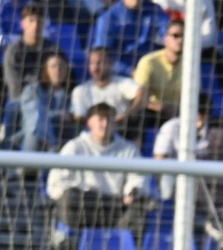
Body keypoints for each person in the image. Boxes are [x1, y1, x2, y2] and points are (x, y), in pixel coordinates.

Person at [46, 103, 150, 242]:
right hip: (85, 205)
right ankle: (74, 244)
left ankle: (120, 246)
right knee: (69, 198)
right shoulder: (75, 147)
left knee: (139, 206)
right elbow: (58, 181)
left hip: (115, 208)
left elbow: (139, 177)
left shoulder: (129, 150)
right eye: (100, 119)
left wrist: (132, 191)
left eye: (109, 119)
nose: (105, 124)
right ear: (89, 123)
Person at [91, 0, 166, 75]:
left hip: (152, 71)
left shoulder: (155, 10)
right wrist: (130, 72)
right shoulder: (108, 18)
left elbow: (167, 32)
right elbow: (104, 55)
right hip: (121, 76)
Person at [2, 2, 62, 103]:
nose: (36, 25)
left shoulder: (53, 49)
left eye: (39, 21)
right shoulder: (13, 52)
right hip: (22, 102)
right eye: (31, 21)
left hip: (50, 99)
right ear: (22, 24)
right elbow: (14, 89)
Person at [132, 15, 186, 125]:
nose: (180, 40)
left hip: (181, 112)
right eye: (175, 36)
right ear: (165, 39)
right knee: (139, 117)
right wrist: (163, 107)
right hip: (154, 111)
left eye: (184, 36)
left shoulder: (191, 64)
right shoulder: (149, 61)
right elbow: (140, 97)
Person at [71, 48, 138, 132]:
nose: (95, 67)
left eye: (100, 63)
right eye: (92, 63)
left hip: (121, 133)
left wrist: (128, 114)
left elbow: (142, 93)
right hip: (90, 135)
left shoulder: (122, 83)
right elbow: (79, 117)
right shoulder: (80, 90)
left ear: (111, 64)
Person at [150, 0, 217, 48]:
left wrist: (189, 46)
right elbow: (157, 34)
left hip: (197, 47)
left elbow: (210, 37)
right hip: (165, 47)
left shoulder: (206, 1)